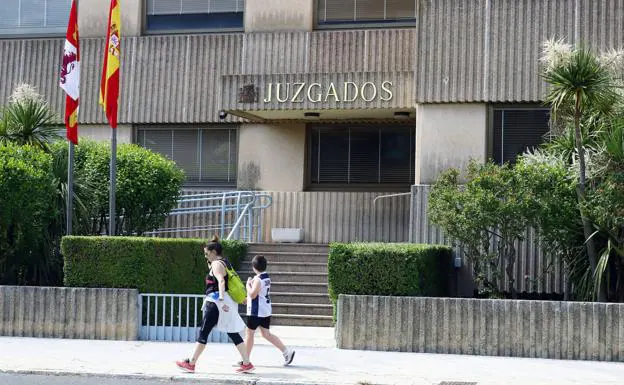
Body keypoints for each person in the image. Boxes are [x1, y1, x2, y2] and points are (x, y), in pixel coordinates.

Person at [176, 236, 254, 374]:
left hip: (216, 302)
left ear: (213, 252)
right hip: (225, 303)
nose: (206, 256)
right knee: (233, 332)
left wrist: (221, 299)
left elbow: (221, 282)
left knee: (204, 331)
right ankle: (247, 363)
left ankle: (191, 363)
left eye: (207, 253)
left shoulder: (217, 264)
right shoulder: (225, 262)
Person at [243, 255, 295, 366]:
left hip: (256, 311)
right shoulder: (266, 277)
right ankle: (287, 352)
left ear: (253, 267)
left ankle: (245, 360)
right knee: (266, 334)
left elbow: (253, 294)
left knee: (249, 333)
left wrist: (247, 285)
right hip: (265, 310)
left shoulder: (257, 279)